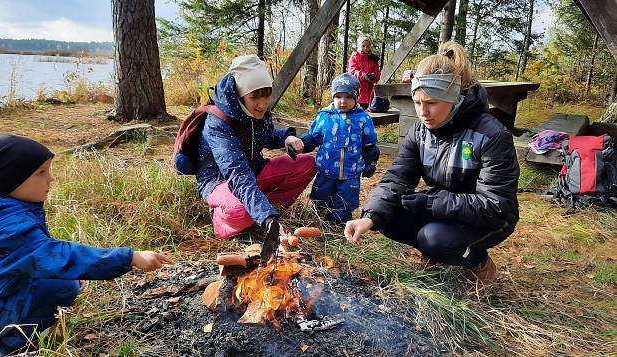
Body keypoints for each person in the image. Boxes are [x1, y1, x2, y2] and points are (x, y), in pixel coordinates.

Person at [344, 41, 520, 293]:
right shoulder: (420, 132)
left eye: (432, 103)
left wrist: (431, 203)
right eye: (417, 102)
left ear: (455, 98)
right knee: (388, 217)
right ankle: (435, 252)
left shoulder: (491, 135)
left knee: (435, 240)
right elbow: (397, 178)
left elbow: (495, 205)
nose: (423, 112)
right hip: (448, 207)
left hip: (492, 218)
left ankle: (480, 263)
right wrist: (370, 216)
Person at [0, 133, 173, 356]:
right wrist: (130, 257)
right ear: (10, 178)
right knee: (65, 287)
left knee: (64, 279)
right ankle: (0, 349)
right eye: (40, 173)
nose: (50, 178)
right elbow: (59, 255)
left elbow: (31, 256)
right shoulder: (9, 228)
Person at [195, 54, 316, 239]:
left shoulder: (257, 109)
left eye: (267, 95)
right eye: (255, 98)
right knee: (239, 212)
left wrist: (287, 137)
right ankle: (224, 222)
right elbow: (238, 176)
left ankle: (261, 213)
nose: (263, 103)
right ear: (240, 95)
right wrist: (268, 219)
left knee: (307, 164)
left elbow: (266, 136)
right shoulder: (218, 123)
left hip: (254, 170)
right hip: (219, 180)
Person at [301, 73, 380, 224]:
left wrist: (371, 162)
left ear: (356, 98)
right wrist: (305, 143)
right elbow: (315, 136)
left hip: (351, 171)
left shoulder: (363, 119)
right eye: (338, 96)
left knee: (345, 201)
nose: (343, 101)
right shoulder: (325, 116)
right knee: (321, 196)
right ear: (333, 97)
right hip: (326, 169)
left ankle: (339, 223)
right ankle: (320, 219)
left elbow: (369, 144)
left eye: (349, 97)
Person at [348, 34, 381, 110]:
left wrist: (373, 77)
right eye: (363, 46)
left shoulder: (373, 59)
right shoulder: (354, 57)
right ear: (359, 46)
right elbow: (352, 72)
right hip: (356, 94)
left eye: (367, 46)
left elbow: (377, 73)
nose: (365, 48)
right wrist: (364, 76)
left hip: (370, 95)